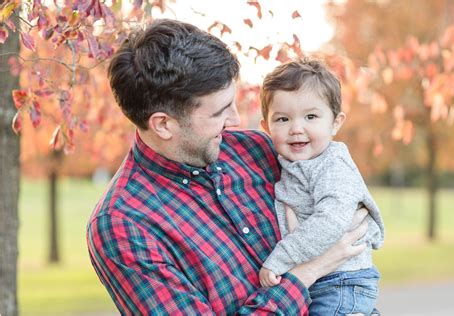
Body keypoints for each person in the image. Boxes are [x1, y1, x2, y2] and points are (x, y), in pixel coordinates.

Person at [87, 19, 370, 315]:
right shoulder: (124, 224)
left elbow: (346, 214)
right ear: (163, 124)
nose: (235, 120)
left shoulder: (256, 152)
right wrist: (308, 272)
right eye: (220, 111)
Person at [258, 58, 385, 315]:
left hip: (342, 283)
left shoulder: (333, 166)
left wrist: (280, 259)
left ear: (335, 123)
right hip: (319, 282)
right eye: (282, 119)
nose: (296, 128)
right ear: (266, 127)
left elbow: (330, 222)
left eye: (311, 116)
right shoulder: (292, 163)